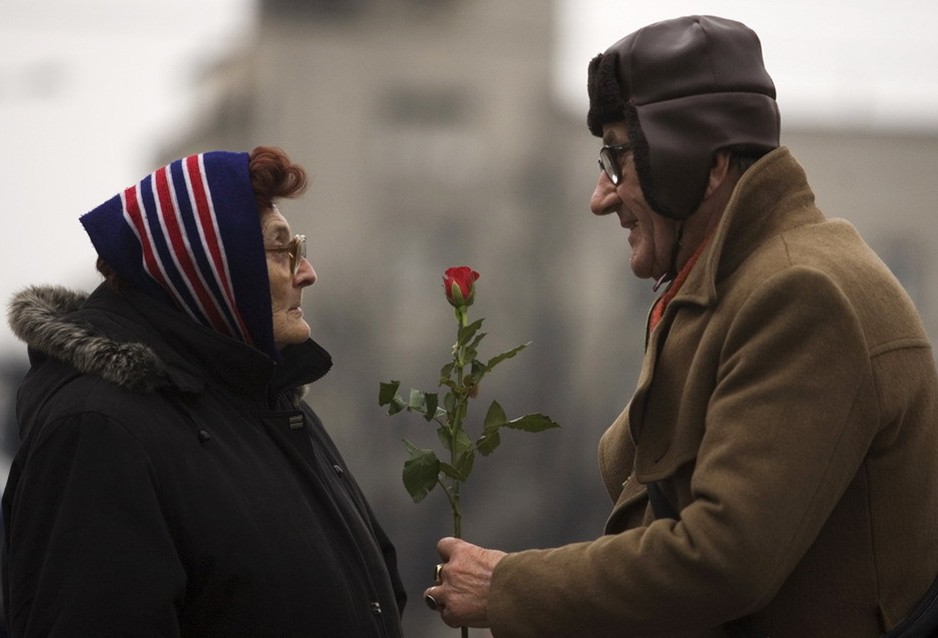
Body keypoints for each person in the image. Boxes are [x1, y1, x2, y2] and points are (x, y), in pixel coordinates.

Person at [421, 15, 938, 638]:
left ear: (708, 164)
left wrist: (508, 587)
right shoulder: (741, 281)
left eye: (617, 158)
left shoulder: (799, 294)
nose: (600, 196)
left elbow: (723, 559)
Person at [2, 147, 406, 637]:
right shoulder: (100, 430)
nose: (307, 272)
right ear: (207, 267)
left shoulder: (267, 403)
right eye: (284, 251)